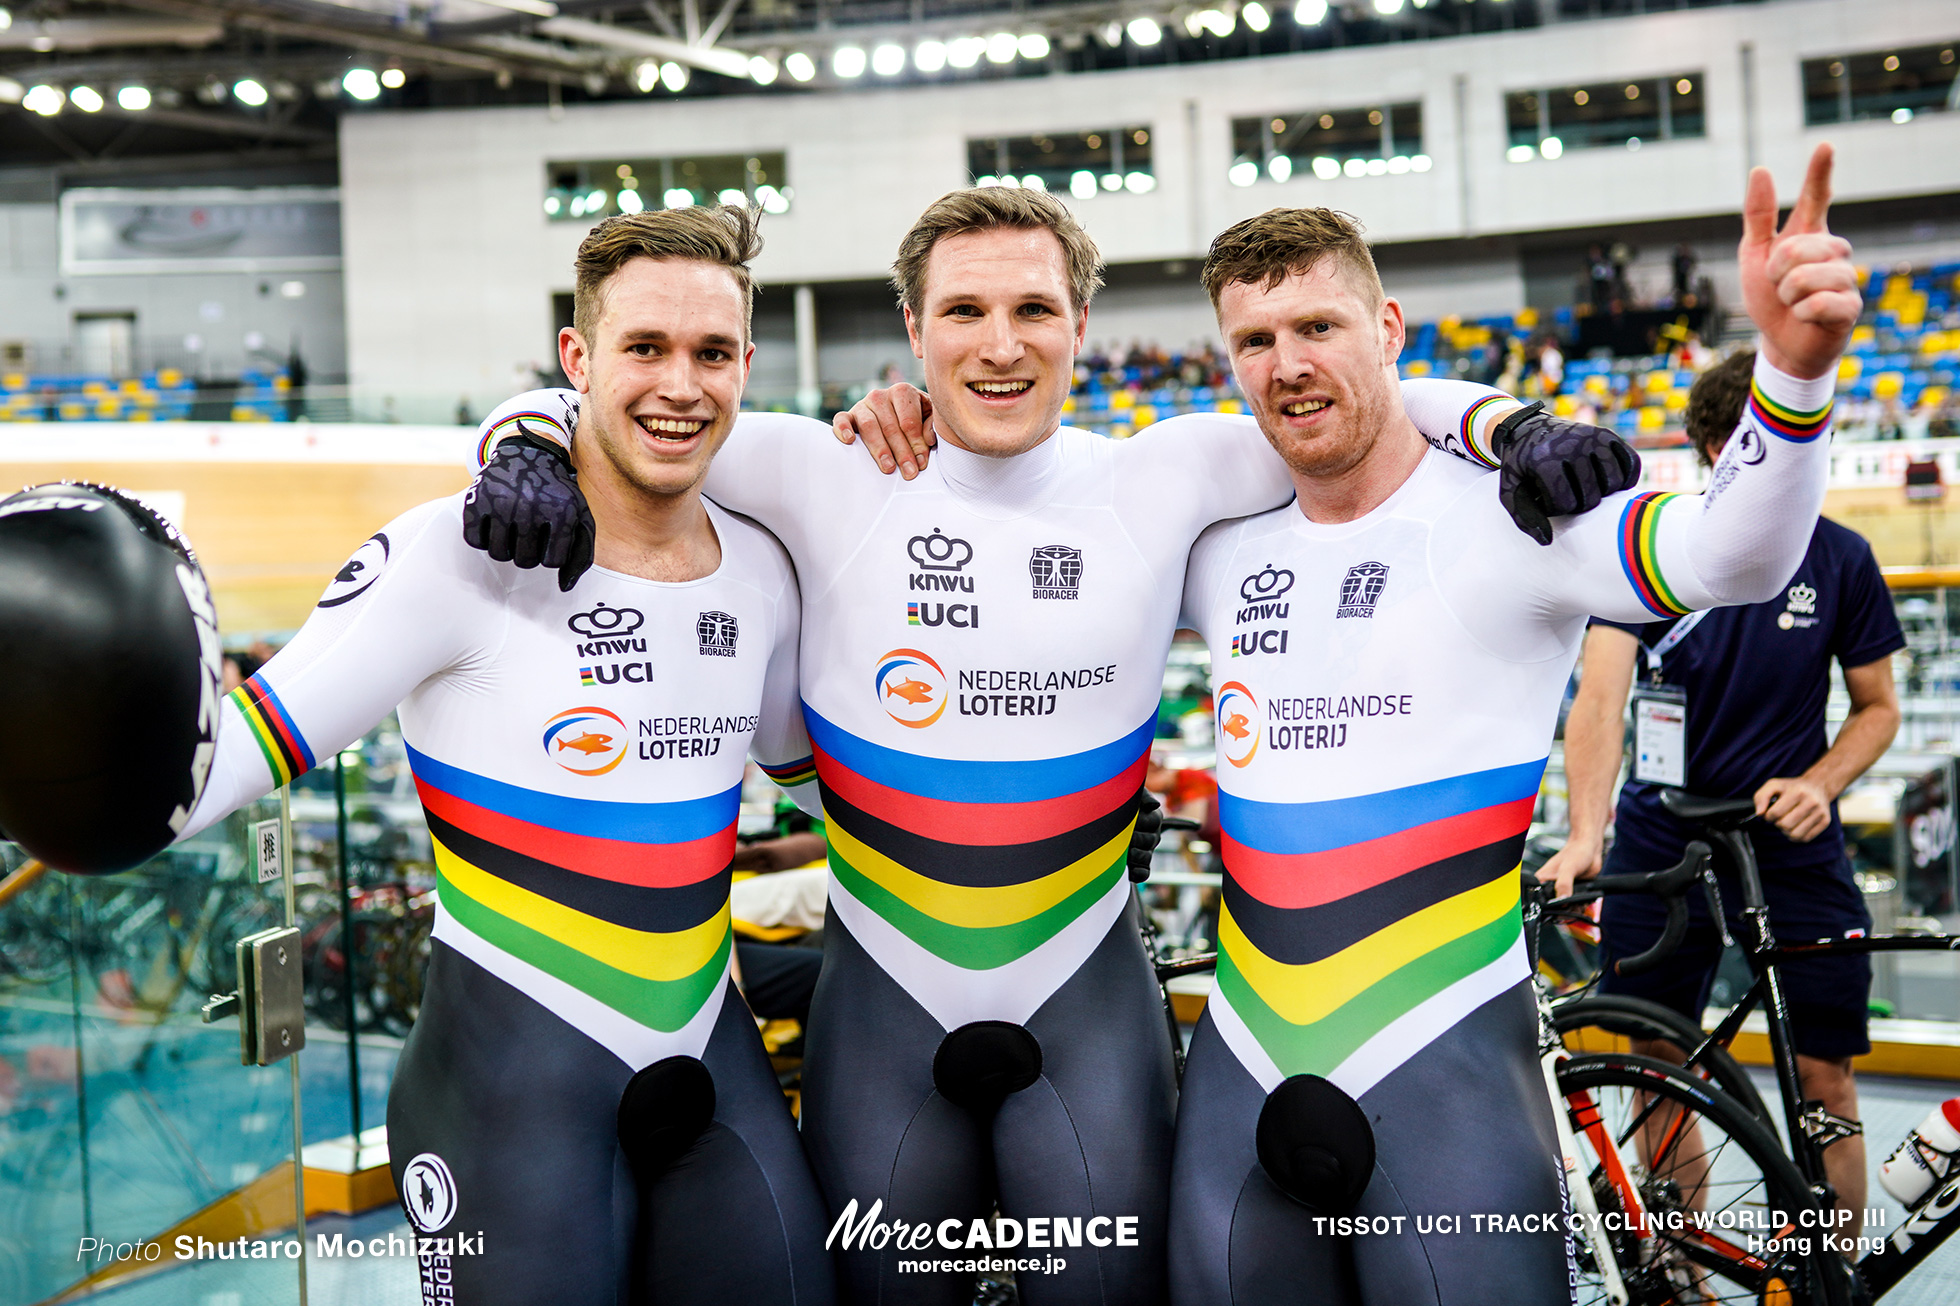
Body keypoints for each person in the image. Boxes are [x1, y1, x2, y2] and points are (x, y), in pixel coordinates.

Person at [459, 187, 1638, 1305]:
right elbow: (616, 403)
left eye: (1032, 311)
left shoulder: (1168, 471)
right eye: (964, 312)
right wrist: (513, 445)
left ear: (1081, 325)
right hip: (882, 1015)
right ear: (913, 329)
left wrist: (1508, 420)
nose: (999, 344)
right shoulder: (822, 466)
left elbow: (1352, 386)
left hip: (1089, 1006)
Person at [1173, 143, 1858, 1304]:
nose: (1286, 365)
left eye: (1319, 328)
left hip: (1447, 1069)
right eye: (1254, 340)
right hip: (1240, 1070)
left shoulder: (1522, 511)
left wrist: (1793, 375)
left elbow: (1733, 554)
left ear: (1388, 325)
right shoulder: (1212, 536)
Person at [181, 207, 837, 1305]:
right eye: (644, 348)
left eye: (710, 353)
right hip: (504, 1091)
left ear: (745, 366)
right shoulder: (452, 554)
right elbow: (219, 763)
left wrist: (1066, 832)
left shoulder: (762, 567)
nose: (681, 383)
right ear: (577, 359)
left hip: (710, 1069)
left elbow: (811, 776)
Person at [1539, 346, 1903, 1246]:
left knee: (1824, 1074)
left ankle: (1825, 1276)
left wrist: (1821, 784)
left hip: (1793, 843)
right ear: (1716, 449)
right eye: (1761, 441)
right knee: (1658, 1060)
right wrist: (1587, 833)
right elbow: (1600, 698)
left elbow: (1877, 709)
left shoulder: (1842, 558)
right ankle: (1682, 1277)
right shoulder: (1650, 547)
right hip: (1661, 841)